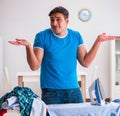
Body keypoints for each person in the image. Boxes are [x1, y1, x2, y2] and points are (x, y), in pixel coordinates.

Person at [8, 6, 116, 105]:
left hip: (74, 90)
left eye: (58, 19)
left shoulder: (76, 36)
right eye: (52, 20)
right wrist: (28, 46)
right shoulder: (42, 36)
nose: (54, 23)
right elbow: (34, 66)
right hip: (51, 92)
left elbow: (85, 62)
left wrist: (98, 41)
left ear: (67, 21)